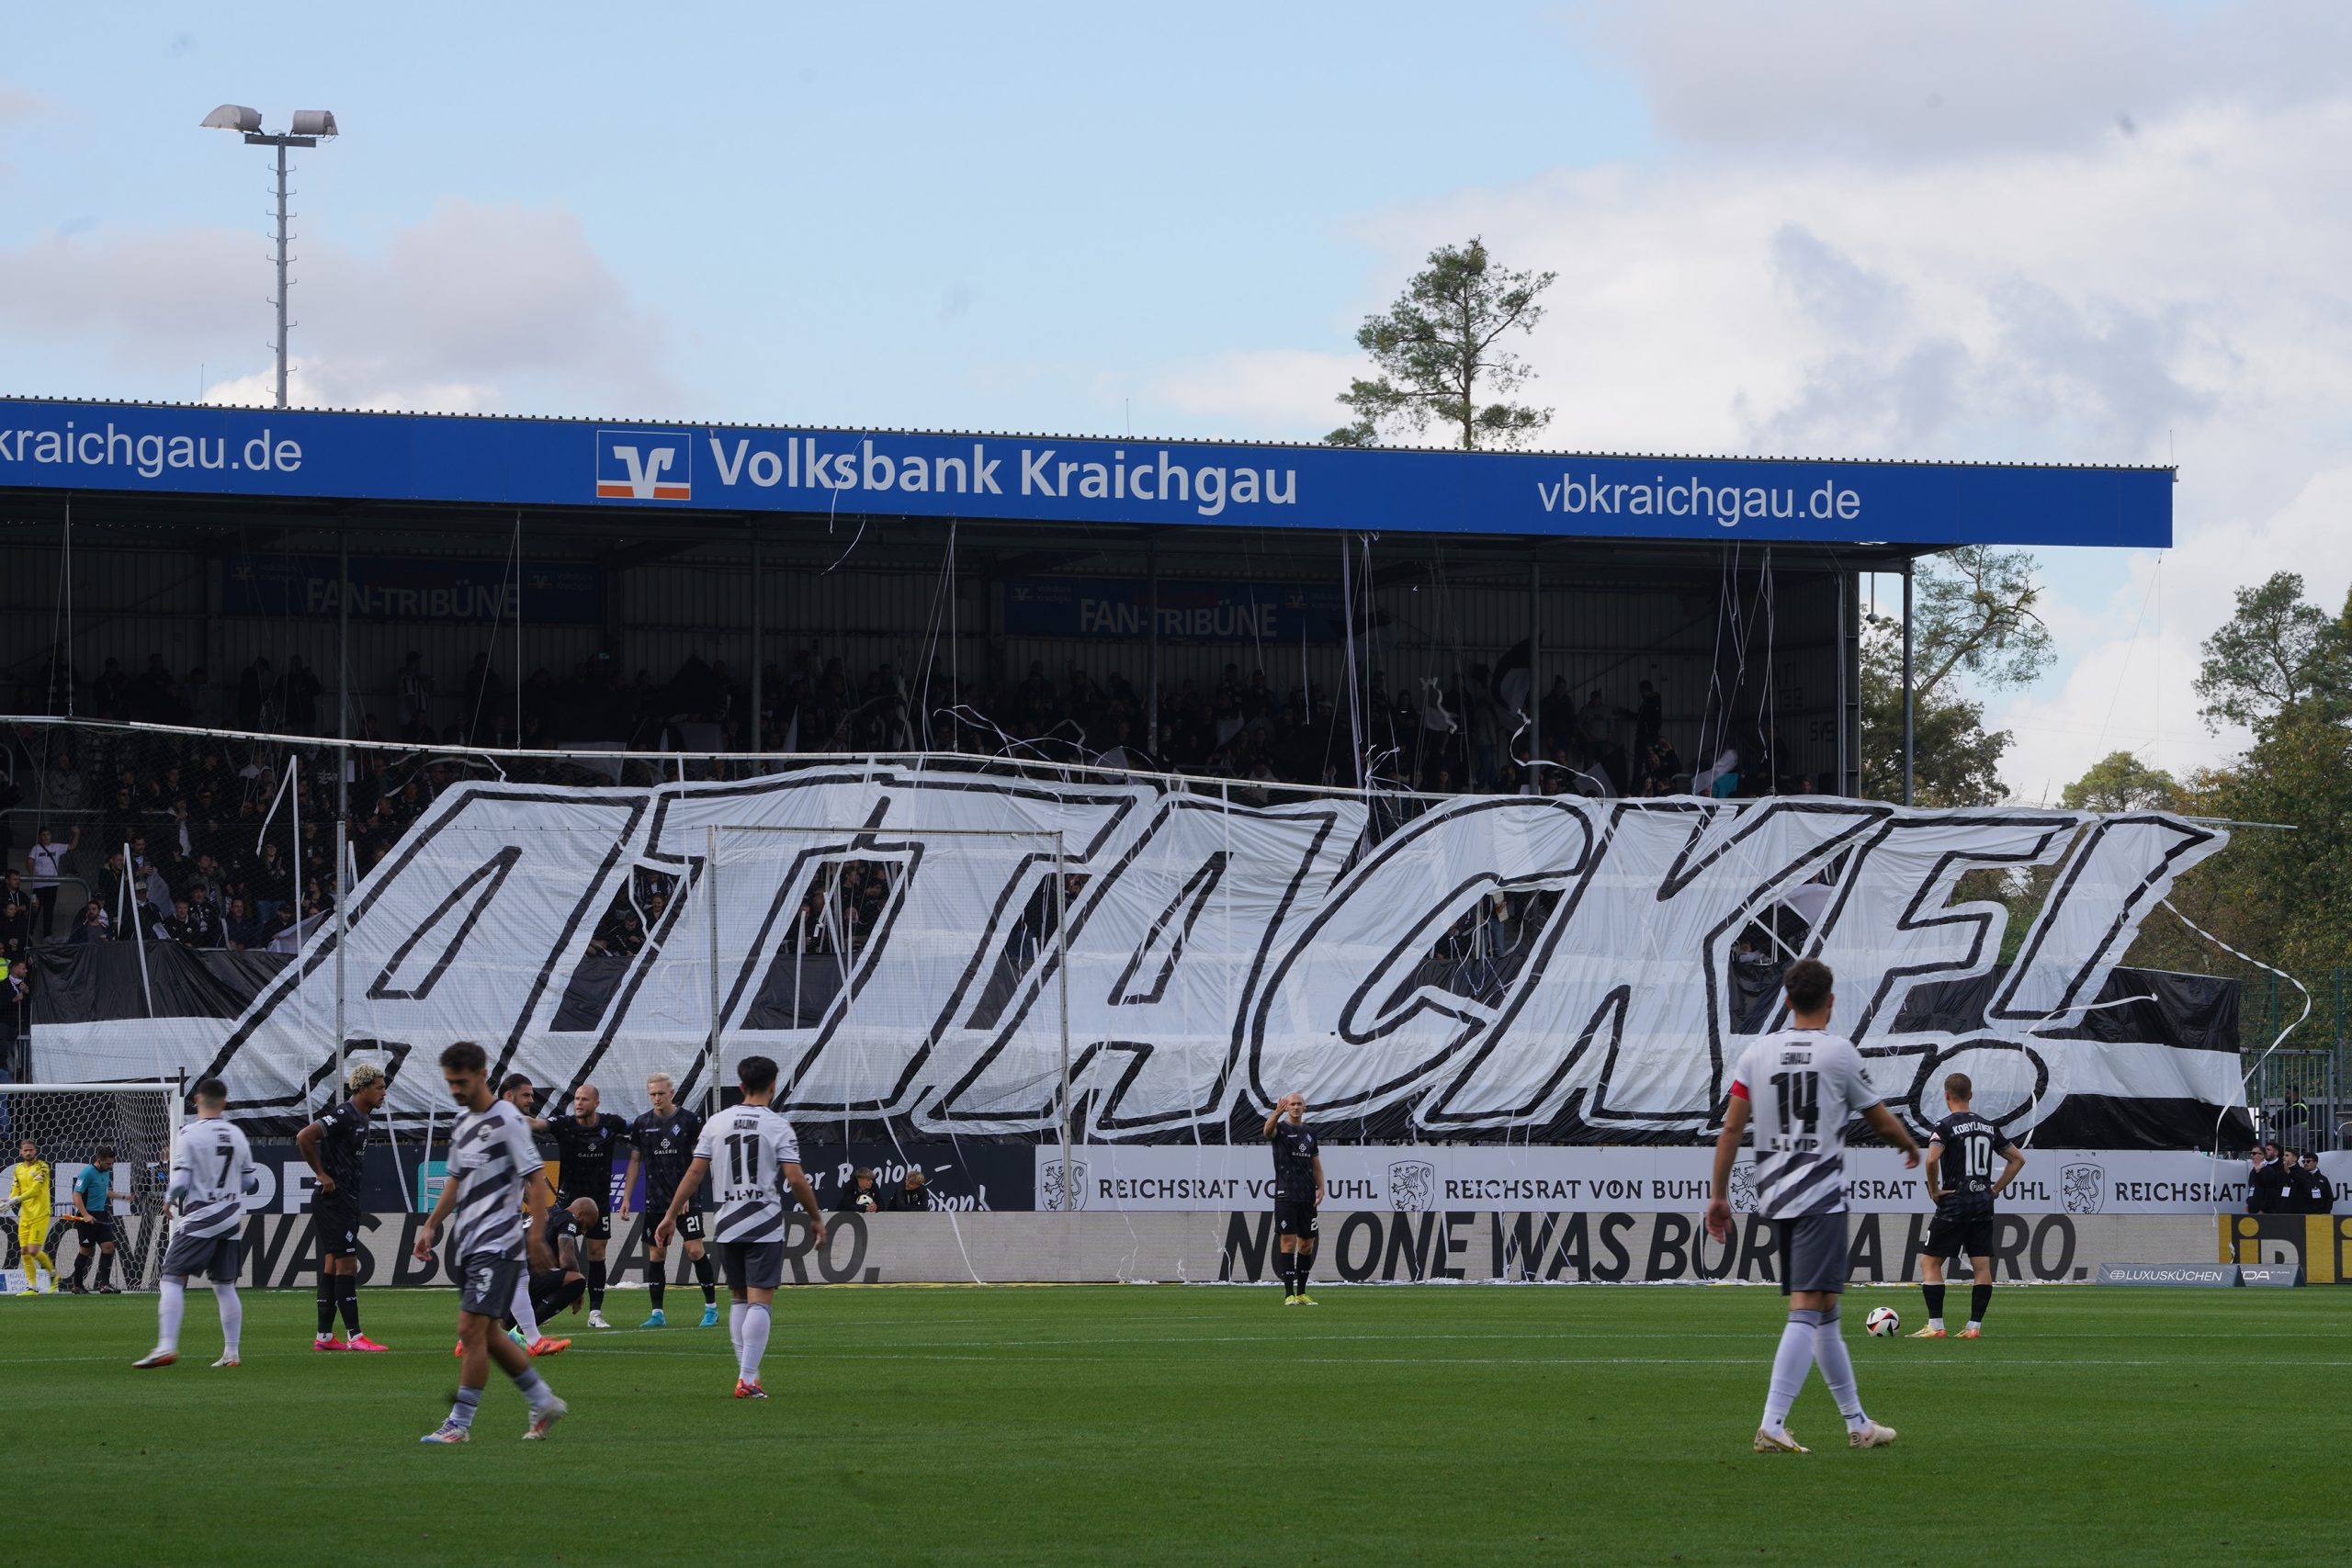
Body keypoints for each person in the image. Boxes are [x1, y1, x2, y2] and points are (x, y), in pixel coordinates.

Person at [1705, 958, 1917, 1453]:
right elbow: (1879, 1118)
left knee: (1825, 1311)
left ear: (1785, 1000)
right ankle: (1773, 1423)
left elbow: (1732, 1128)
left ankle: (1859, 1424)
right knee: (1807, 1308)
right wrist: (1908, 1146)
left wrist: (1718, 1195)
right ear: (1831, 1001)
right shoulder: (1838, 1054)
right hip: (1820, 1195)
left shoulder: (1757, 1053)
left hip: (1776, 1194)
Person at [413, 1041, 568, 1443]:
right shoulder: (463, 1124)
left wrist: (535, 1234)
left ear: (483, 1075)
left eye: (461, 1081)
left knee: (471, 1330)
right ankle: (543, 1400)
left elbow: (535, 1180)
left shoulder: (509, 1121)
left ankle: (459, 1424)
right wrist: (431, 1224)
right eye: (450, 1082)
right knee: (491, 1334)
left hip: (499, 1242)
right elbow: (455, 1180)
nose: (456, 1090)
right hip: (469, 1241)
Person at [656, 1055, 824, 1399]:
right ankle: (747, 1379)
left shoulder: (717, 1122)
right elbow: (795, 1177)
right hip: (764, 1223)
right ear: (774, 1085)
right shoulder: (777, 1125)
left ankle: (747, 1375)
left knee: (737, 1299)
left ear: (741, 1087)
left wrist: (671, 1214)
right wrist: (816, 1217)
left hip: (728, 1223)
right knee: (760, 1300)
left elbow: (694, 1173)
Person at [134, 1079, 256, 1369]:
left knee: (171, 1278)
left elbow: (181, 1181)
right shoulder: (237, 1134)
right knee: (225, 1285)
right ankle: (232, 1353)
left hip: (201, 1215)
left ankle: (166, 1346)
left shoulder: (189, 1134)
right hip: (230, 1217)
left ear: (197, 1099)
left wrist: (167, 1199)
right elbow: (250, 1181)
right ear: (225, 1101)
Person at [1912, 1073, 2026, 1339]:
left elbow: (1931, 1161)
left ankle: (1936, 1326)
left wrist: (1934, 1190)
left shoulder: (1945, 1126)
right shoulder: (1988, 1126)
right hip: (1982, 1204)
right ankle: (1974, 1327)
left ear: (1946, 1095)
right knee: (1982, 1267)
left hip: (1955, 1202)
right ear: (1971, 1095)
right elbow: (2018, 1160)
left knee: (1930, 1262)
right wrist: (1995, 1189)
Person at [297, 1062, 391, 1351]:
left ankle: (324, 1337)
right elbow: (304, 1136)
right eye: (379, 1088)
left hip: (346, 1198)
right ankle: (355, 1336)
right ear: (362, 1089)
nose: (383, 1093)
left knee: (332, 1264)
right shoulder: (345, 1115)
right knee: (347, 1264)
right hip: (334, 1200)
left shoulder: (362, 1117)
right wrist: (321, 1174)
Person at [620, 1072, 718, 1329]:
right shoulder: (642, 1123)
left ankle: (711, 1308)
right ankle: (657, 1313)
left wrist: (683, 1196)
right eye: (652, 1094)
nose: (656, 1098)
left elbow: (699, 1162)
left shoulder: (690, 1121)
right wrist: (627, 1197)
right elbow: (634, 1162)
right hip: (655, 1199)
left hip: (688, 1199)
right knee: (657, 1253)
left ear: (671, 1093)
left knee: (694, 1250)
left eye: (661, 1093)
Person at [528, 1083, 631, 1328]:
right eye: (576, 1098)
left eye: (584, 1099)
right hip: (568, 1203)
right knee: (554, 1255)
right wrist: (504, 1116)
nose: (578, 1103)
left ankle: (595, 1313)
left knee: (596, 1254)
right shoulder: (565, 1124)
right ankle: (540, 1308)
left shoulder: (612, 1124)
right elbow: (536, 1124)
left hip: (598, 1203)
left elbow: (638, 1128)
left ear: (596, 1103)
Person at [1262, 1092, 1323, 1306]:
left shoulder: (1310, 1133)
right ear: (1286, 1108)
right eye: (1292, 1104)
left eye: (1299, 1104)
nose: (1296, 1107)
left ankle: (1302, 1292)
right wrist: (1275, 1115)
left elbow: (1315, 1163)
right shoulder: (1280, 1129)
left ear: (1304, 1107)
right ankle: (1289, 1294)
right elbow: (1267, 1132)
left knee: (1306, 1244)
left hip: (1307, 1196)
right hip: (1286, 1195)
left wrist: (1321, 1187)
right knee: (1287, 1242)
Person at [55, 1145, 122, 1293]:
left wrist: (123, 1197)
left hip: (101, 1215)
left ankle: (105, 1285)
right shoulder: (86, 1173)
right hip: (86, 1216)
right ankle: (77, 1285)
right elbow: (76, 1195)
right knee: (86, 1251)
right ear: (99, 1160)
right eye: (108, 1164)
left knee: (108, 1247)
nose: (110, 1166)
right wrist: (85, 1214)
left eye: (112, 1163)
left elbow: (103, 1191)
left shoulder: (105, 1172)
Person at [9, 1137, 55, 1295]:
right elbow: (16, 1189)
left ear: (36, 1151)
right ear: (21, 1152)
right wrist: (8, 1201)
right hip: (25, 1215)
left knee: (33, 1251)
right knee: (24, 1252)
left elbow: (35, 1190)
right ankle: (32, 1287)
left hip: (40, 1213)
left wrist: (16, 1200)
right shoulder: (18, 1169)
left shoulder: (42, 1167)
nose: (28, 1152)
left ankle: (53, 1275)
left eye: (31, 1150)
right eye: (25, 1150)